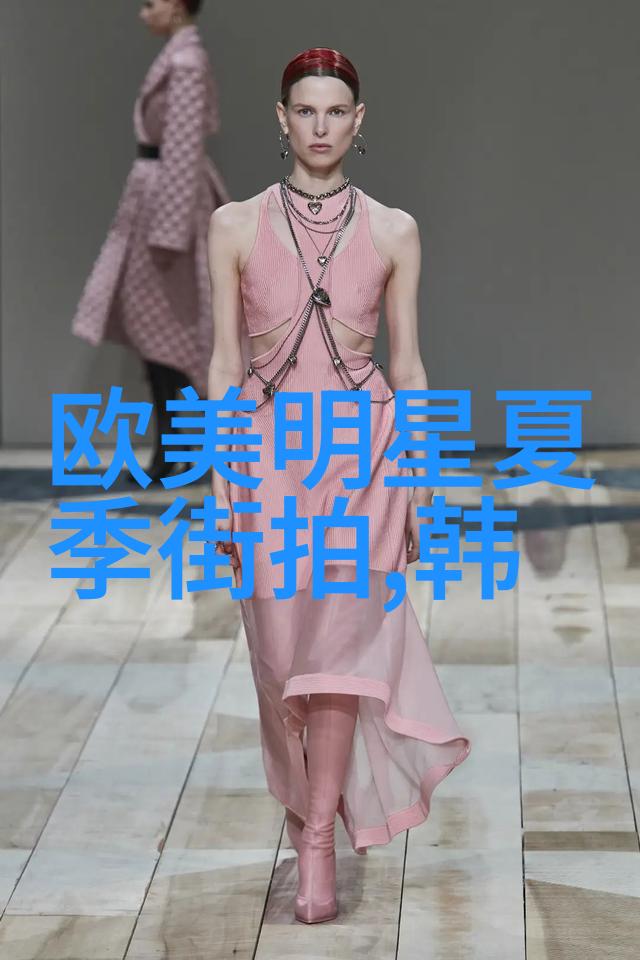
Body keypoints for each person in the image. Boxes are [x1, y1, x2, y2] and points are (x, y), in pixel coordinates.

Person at [207, 48, 471, 924]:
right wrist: (218, 474)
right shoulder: (233, 225)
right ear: (282, 120)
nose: (320, 126)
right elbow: (222, 363)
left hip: (365, 461)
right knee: (280, 662)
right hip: (264, 459)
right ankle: (305, 814)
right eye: (305, 110)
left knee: (339, 665)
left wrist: (421, 473)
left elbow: (410, 363)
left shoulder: (394, 230)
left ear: (359, 123)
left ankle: (318, 839)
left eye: (336, 112)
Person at [72, 0, 230, 482]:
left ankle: (182, 451)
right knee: (159, 335)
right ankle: (173, 449)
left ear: (177, 6)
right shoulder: (180, 56)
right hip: (157, 197)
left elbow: (183, 147)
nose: (144, 13)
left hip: (168, 208)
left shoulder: (187, 61)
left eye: (150, 3)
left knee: (171, 334)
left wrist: (168, 233)